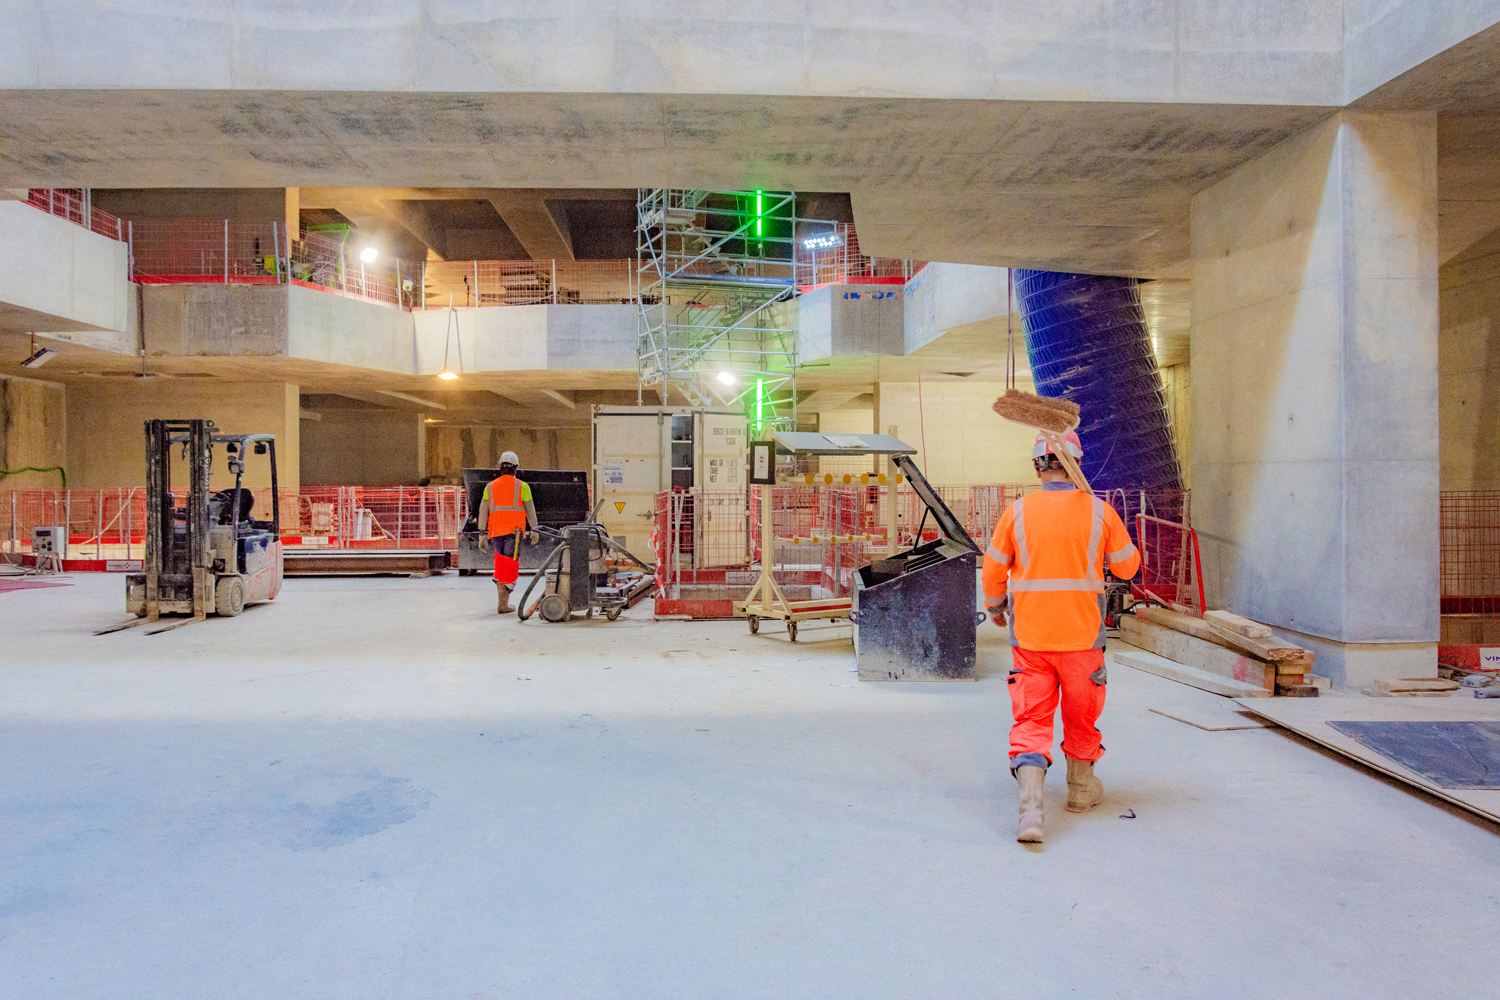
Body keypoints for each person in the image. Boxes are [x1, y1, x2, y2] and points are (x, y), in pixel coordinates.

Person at [981, 430, 1141, 843]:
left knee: (1032, 719)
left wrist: (997, 606)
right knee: (1081, 714)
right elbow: (1126, 568)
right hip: (1082, 638)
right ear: (1076, 464)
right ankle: (1082, 793)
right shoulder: (1099, 512)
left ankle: (1031, 811)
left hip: (1031, 639)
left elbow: (995, 569)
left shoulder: (1016, 513)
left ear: (1037, 466)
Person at [476, 451, 539, 614]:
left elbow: (482, 511)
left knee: (501, 566)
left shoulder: (489, 487)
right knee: (510, 567)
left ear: (500, 468)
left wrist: (481, 534)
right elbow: (530, 511)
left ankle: (502, 603)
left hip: (496, 532)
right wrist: (535, 530)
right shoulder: (522, 486)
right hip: (515, 534)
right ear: (515, 468)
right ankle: (503, 605)